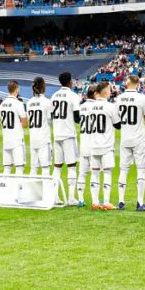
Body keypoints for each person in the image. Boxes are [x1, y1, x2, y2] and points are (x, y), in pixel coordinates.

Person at [116, 75, 145, 211]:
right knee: (141, 170)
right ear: (138, 84)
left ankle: (121, 201)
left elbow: (117, 117)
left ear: (128, 82)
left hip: (125, 138)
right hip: (138, 138)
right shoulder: (142, 98)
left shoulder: (119, 98)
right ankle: (140, 202)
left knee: (124, 169)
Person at [89, 81, 121, 210]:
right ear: (106, 92)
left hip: (93, 143)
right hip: (106, 144)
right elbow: (118, 125)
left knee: (95, 172)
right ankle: (106, 202)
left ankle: (95, 202)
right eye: (109, 89)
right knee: (107, 172)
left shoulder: (90, 106)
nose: (110, 91)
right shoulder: (110, 107)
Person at [51, 72, 81, 204]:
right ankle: (70, 198)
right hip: (68, 134)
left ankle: (55, 197)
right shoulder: (73, 96)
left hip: (57, 134)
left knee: (57, 167)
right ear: (69, 81)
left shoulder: (53, 96)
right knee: (71, 166)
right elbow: (77, 118)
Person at [0, 80, 28, 174]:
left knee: (7, 168)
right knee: (19, 167)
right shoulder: (18, 103)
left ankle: (5, 188)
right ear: (16, 89)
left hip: (6, 139)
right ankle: (17, 188)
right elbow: (25, 124)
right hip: (17, 140)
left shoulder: (2, 104)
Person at [27, 77, 52, 176]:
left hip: (33, 138)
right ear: (43, 86)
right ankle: (46, 191)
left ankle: (31, 191)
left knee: (33, 168)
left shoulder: (29, 102)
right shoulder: (46, 102)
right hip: (44, 139)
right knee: (45, 168)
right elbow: (50, 119)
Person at [76, 84, 96, 207]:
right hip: (94, 143)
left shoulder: (81, 107)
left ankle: (80, 200)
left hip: (83, 142)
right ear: (94, 94)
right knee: (95, 173)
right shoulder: (97, 106)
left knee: (82, 173)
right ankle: (94, 200)